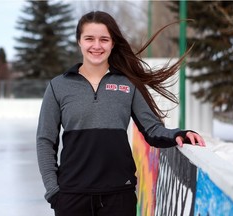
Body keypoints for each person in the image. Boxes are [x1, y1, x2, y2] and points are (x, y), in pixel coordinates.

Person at [36, 11, 205, 216]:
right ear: (79, 41)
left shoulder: (128, 83)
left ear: (113, 43)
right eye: (89, 38)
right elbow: (45, 141)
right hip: (72, 197)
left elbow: (152, 129)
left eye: (104, 39)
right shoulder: (58, 86)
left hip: (119, 196)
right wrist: (54, 192)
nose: (96, 46)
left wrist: (179, 134)